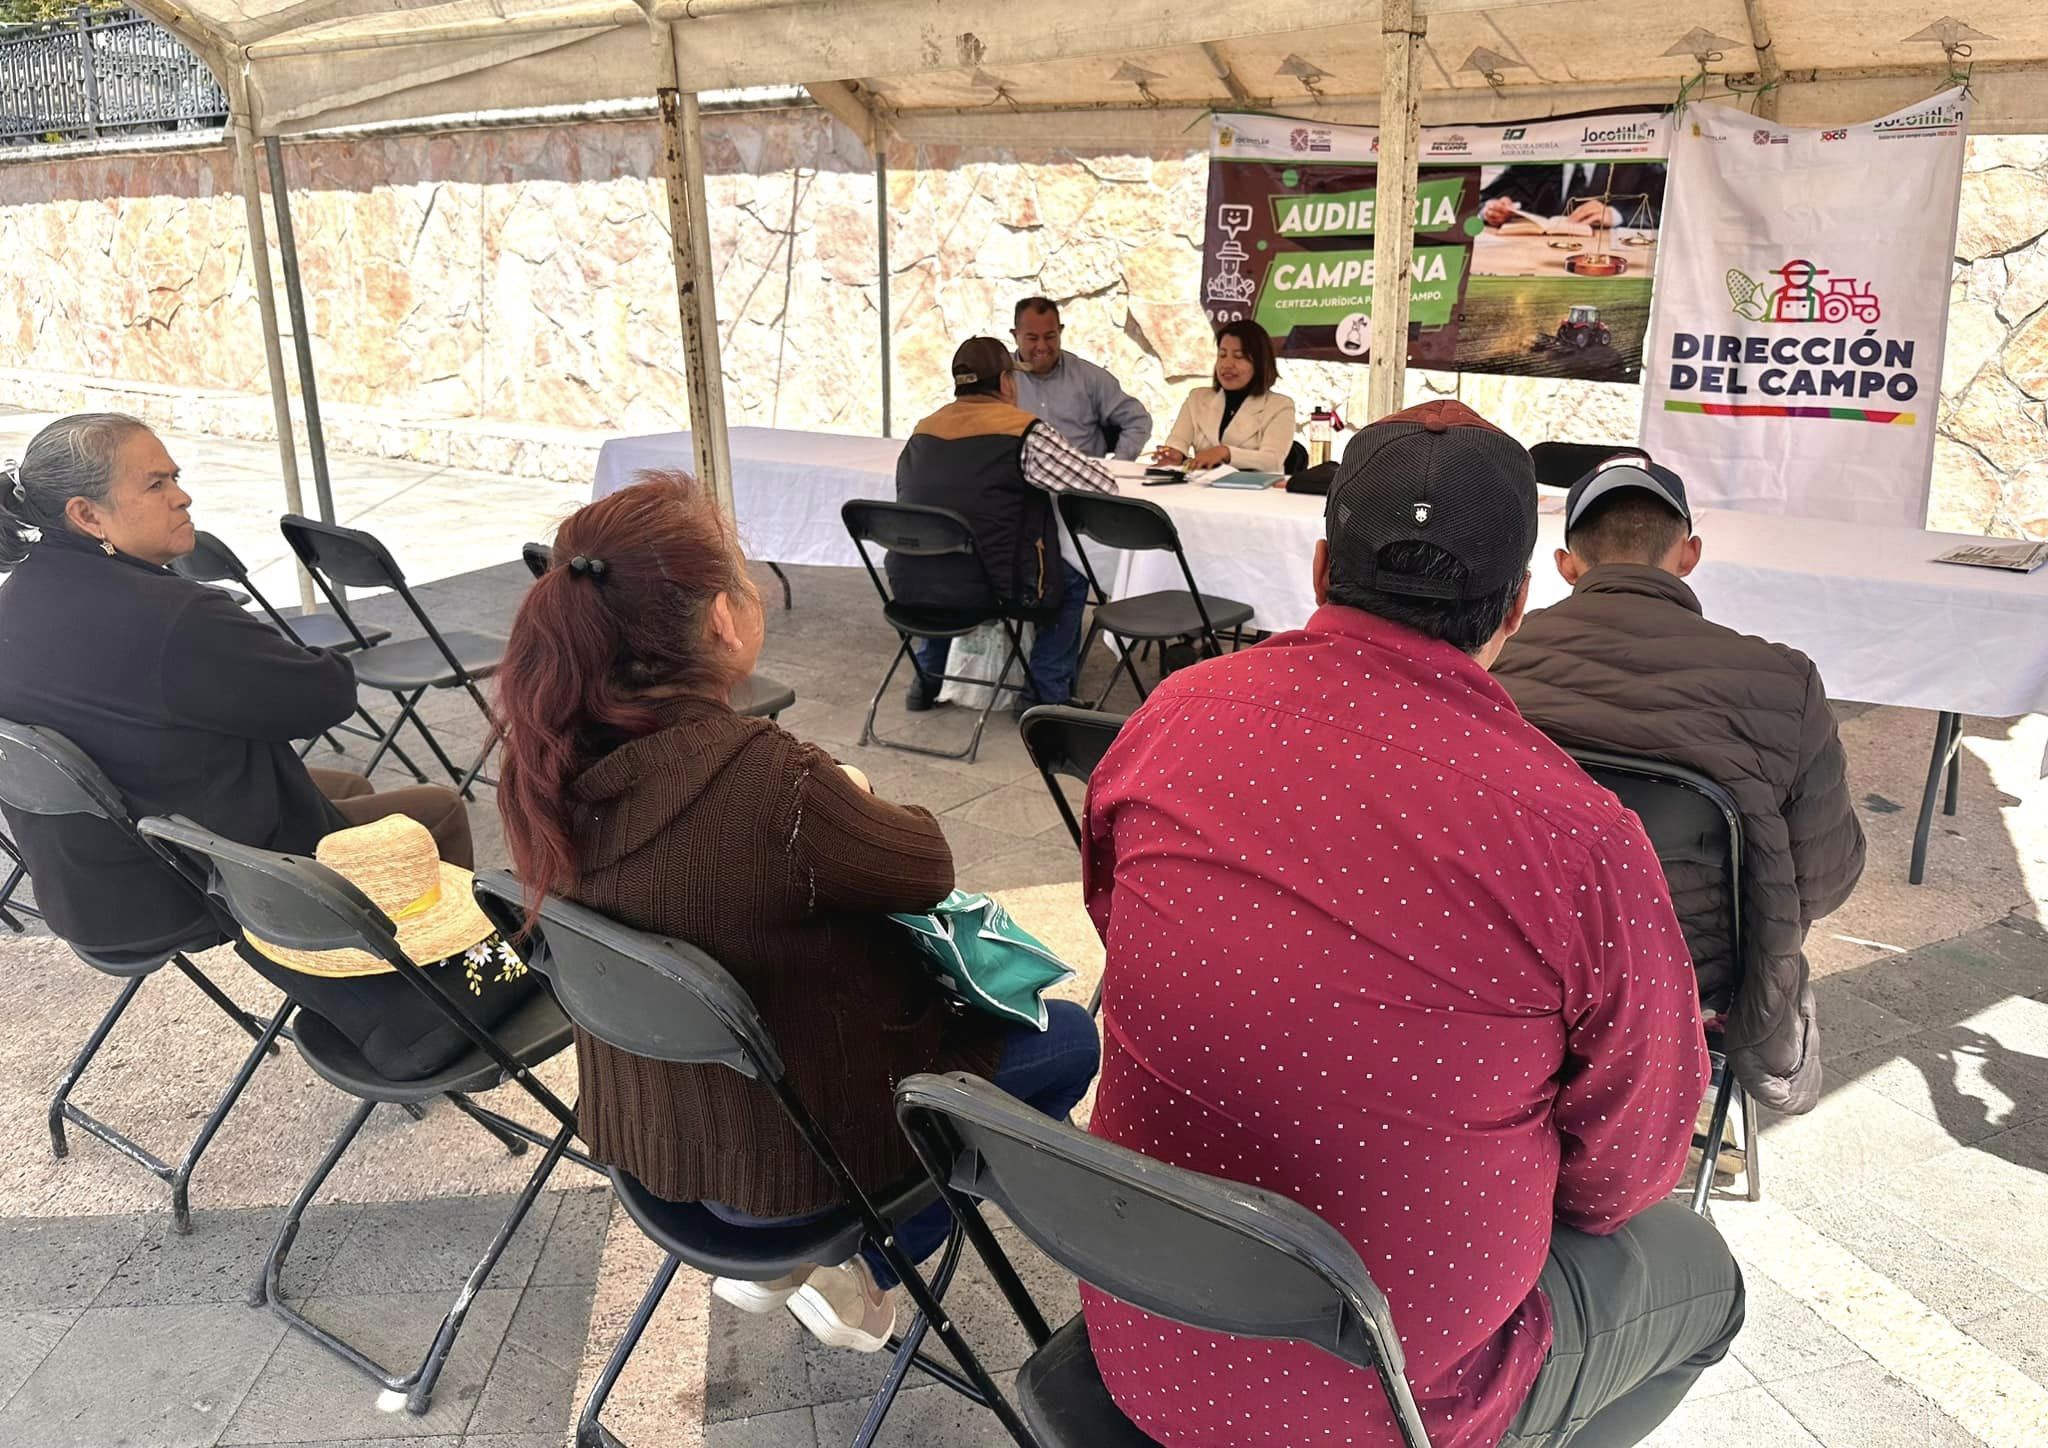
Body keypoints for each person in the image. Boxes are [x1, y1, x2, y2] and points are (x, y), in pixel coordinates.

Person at [1082, 400, 1742, 1448]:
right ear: (1517, 605)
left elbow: (1122, 930)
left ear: (1316, 569)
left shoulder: (1172, 717)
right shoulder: (1579, 837)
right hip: (1397, 1402)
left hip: (1143, 1338)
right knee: (1705, 1282)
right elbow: (1623, 1173)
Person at [493, 476, 1099, 1353]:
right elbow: (927, 864)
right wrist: (848, 793)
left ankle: (867, 1247)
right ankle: (870, 1267)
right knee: (1070, 1038)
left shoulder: (545, 767)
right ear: (724, 623)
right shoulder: (772, 786)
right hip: (790, 1172)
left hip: (655, 1149)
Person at [0, 413, 506, 1080]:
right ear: (87, 515)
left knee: (344, 789)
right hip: (195, 881)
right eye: (156, 484)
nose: (183, 496)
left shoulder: (16, 601)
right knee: (431, 811)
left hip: (93, 875)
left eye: (176, 476)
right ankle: (448, 993)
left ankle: (387, 971)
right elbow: (326, 695)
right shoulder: (176, 617)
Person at [1492, 454, 1865, 1115]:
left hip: (1506, 954)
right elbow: (1825, 876)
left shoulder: (1496, 656)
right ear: (1688, 554)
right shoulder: (1782, 682)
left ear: (1567, 565)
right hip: (1689, 980)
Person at [892, 336, 1117, 714]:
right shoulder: (1021, 431)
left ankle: (926, 680)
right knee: (1073, 575)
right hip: (993, 589)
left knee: (940, 560)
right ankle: (1045, 694)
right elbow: (1101, 488)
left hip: (911, 584)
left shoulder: (922, 431)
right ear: (1005, 382)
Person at [1010, 297, 1154, 460]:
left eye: (1050, 336)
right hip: (1017, 482)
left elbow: (1138, 420)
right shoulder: (999, 378)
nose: (1042, 346)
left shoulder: (1089, 378)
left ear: (1060, 331)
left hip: (1081, 480)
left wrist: (1117, 467)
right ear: (1016, 336)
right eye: (1032, 338)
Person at [1153, 320, 1297, 474]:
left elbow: (1272, 461)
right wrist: (1174, 454)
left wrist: (1226, 453)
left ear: (1260, 363)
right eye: (1222, 355)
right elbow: (1178, 440)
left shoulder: (1280, 406)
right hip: (1201, 491)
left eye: (1239, 356)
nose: (1227, 364)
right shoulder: (1197, 398)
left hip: (1255, 493)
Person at [1479, 161, 1666, 229]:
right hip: (1536, 259)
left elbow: (1664, 210)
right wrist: (1490, 209)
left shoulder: (1639, 162)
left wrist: (1616, 215)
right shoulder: (1537, 159)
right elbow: (1481, 200)